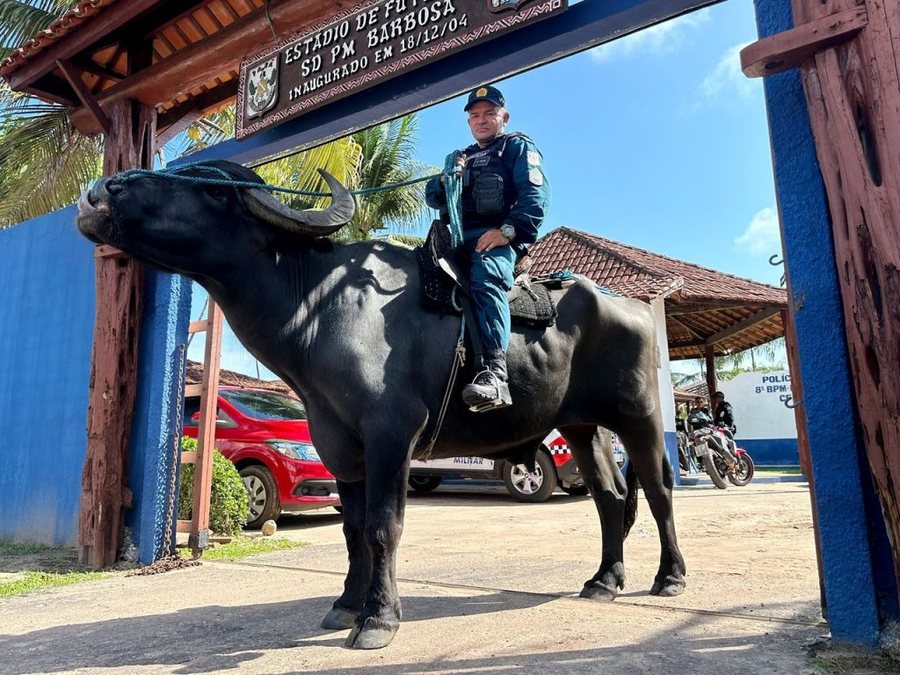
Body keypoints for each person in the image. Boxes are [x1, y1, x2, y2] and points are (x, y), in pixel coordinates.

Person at [425, 84, 550, 410]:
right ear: (469, 122)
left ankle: (496, 374)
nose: (481, 120)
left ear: (503, 117)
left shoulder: (516, 147)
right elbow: (432, 197)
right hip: (454, 241)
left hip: (493, 241)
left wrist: (507, 231)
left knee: (485, 279)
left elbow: (535, 198)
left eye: (489, 114)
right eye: (475, 115)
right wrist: (444, 179)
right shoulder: (460, 157)